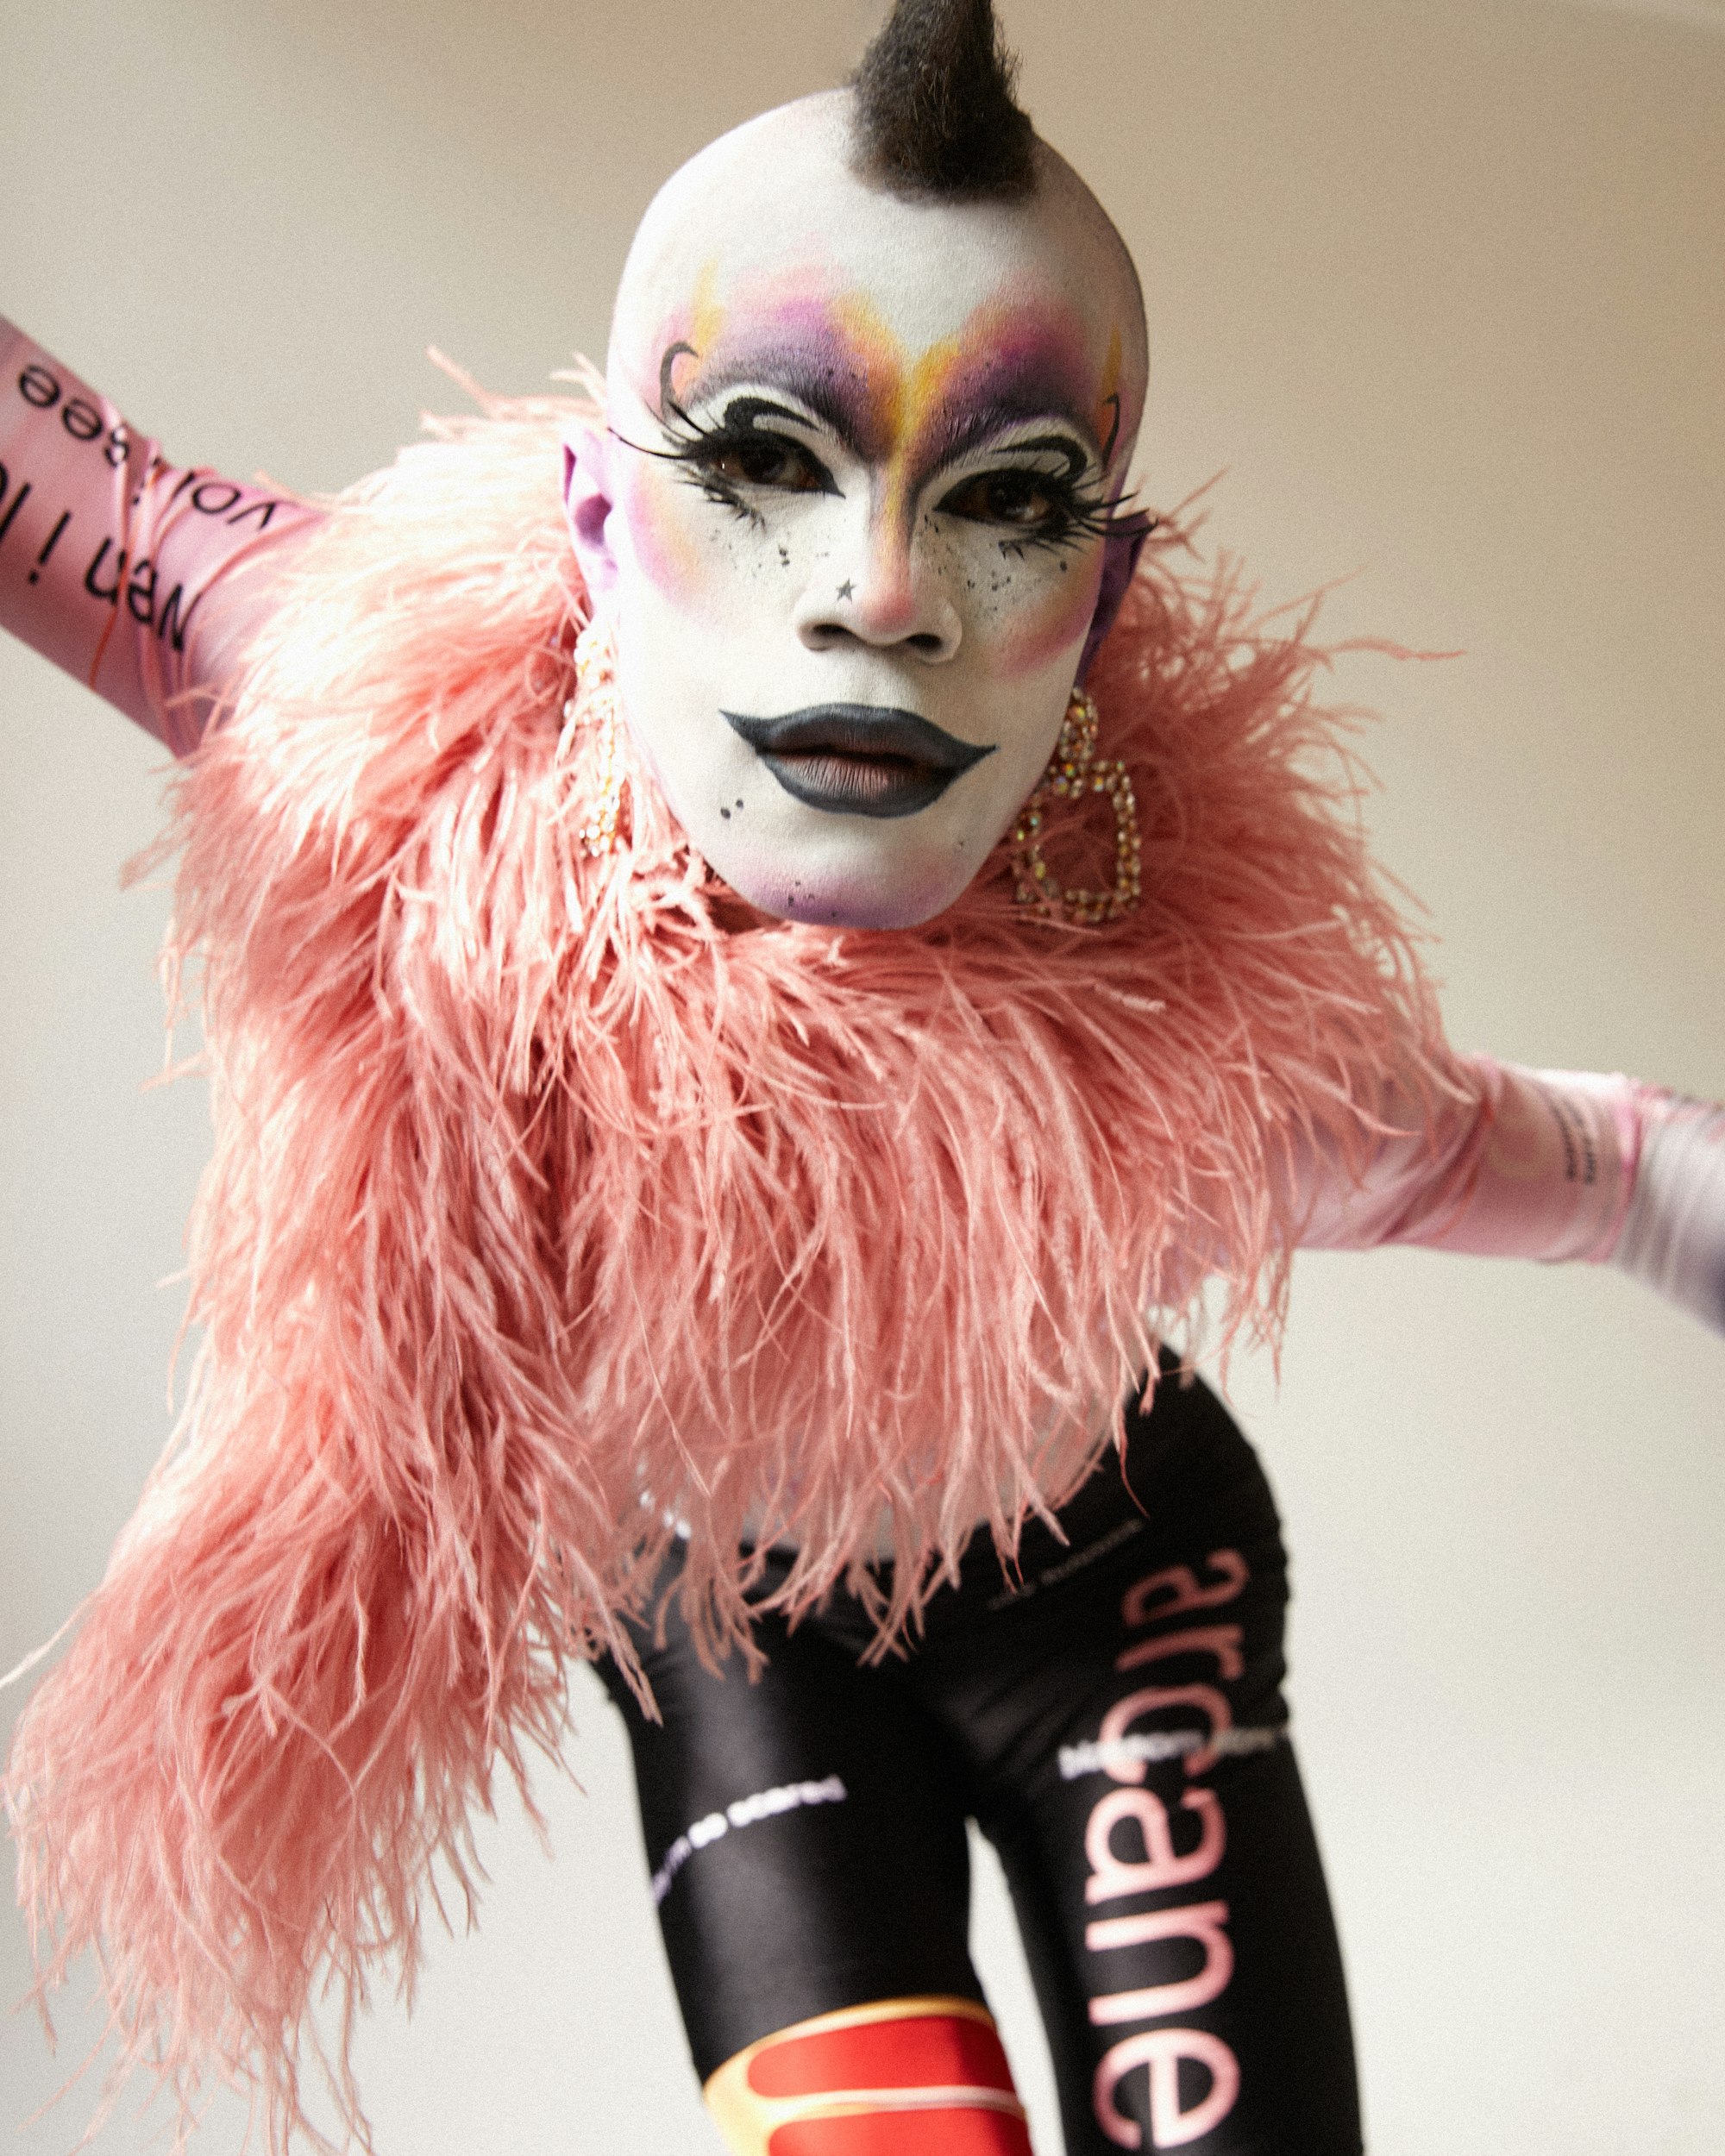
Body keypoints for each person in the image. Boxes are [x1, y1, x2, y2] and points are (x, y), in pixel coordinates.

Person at [2, 3, 1720, 2151]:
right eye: (754, 460)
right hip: (734, 1628)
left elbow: (1623, 1166)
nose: (880, 595)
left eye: (1005, 500)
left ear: (1101, 608)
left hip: (1114, 1584)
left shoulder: (1204, 1047)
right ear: (591, 523)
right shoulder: (365, 705)